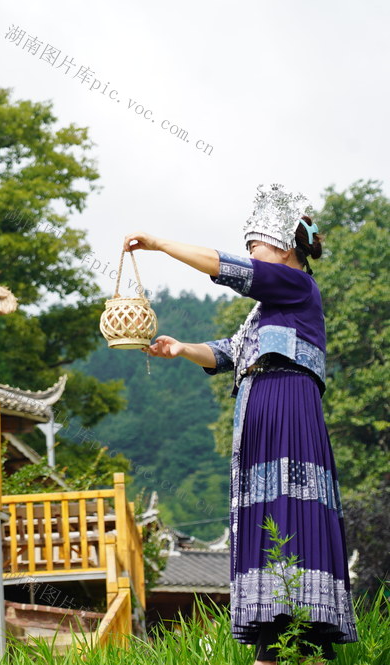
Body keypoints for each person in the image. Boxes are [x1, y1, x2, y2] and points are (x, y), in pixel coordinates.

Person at [124, 184, 357, 664]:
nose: (251, 251)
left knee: (291, 505)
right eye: (248, 244)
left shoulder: (296, 285)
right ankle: (273, 639)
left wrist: (162, 244)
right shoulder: (265, 312)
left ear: (285, 250)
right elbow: (232, 350)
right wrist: (182, 348)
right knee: (270, 508)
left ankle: (302, 631)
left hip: (287, 407)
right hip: (261, 411)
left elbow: (231, 268)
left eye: (258, 244)